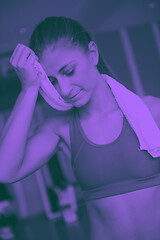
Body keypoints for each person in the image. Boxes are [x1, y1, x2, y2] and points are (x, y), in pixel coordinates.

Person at [0, 16, 160, 240]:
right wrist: (29, 88)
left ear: (92, 53)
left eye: (68, 71)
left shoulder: (152, 112)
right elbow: (5, 171)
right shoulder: (60, 129)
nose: (64, 89)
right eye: (52, 81)